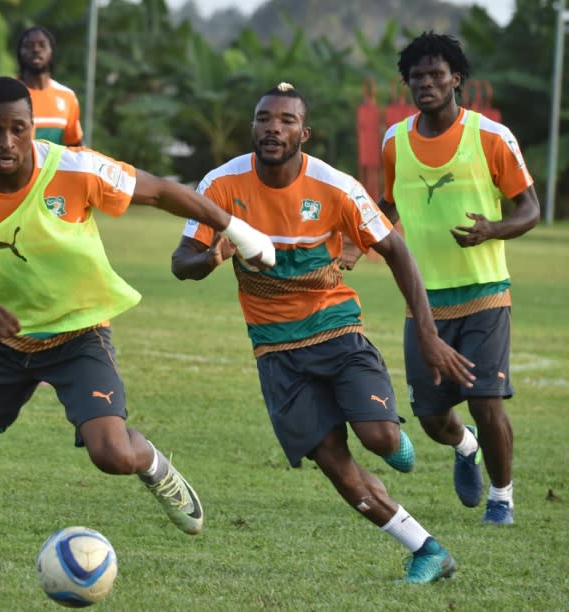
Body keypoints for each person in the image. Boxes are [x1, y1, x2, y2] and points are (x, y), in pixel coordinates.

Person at [0, 76, 276, 596]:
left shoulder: (74, 168)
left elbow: (161, 191)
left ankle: (155, 466)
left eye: (18, 129)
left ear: (34, 129)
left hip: (79, 331)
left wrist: (240, 230)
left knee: (112, 454)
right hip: (1, 337)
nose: (7, 142)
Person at [171, 83, 477, 584]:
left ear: (304, 133)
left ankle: (398, 439)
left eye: (286, 120)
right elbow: (180, 263)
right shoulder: (220, 185)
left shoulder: (335, 186)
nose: (273, 127)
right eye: (264, 118)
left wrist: (428, 335)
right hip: (274, 349)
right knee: (334, 462)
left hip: (336, 331)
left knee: (378, 437)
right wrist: (209, 257)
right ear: (253, 127)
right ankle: (427, 550)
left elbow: (397, 251)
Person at [341, 32, 540, 526]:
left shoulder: (492, 137)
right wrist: (354, 243)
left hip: (485, 294)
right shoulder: (394, 141)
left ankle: (502, 497)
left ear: (457, 79)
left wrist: (494, 229)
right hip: (424, 303)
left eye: (436, 74)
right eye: (416, 76)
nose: (426, 83)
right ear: (407, 84)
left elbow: (531, 209)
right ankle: (464, 445)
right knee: (431, 419)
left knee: (486, 401)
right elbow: (383, 208)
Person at [17, 25, 83, 145]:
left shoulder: (67, 96)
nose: (36, 50)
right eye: (29, 46)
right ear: (19, 52)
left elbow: (74, 144)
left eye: (42, 45)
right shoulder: (8, 93)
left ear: (52, 51)